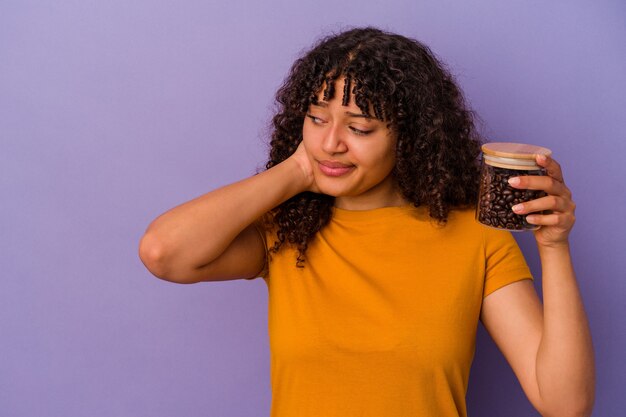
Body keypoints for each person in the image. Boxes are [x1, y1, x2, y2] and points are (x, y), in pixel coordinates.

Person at [138, 27, 594, 417]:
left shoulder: (474, 236)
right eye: (317, 119)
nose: (331, 142)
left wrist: (554, 247)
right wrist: (297, 171)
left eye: (359, 128)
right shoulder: (287, 232)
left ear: (410, 139)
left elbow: (564, 403)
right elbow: (164, 253)